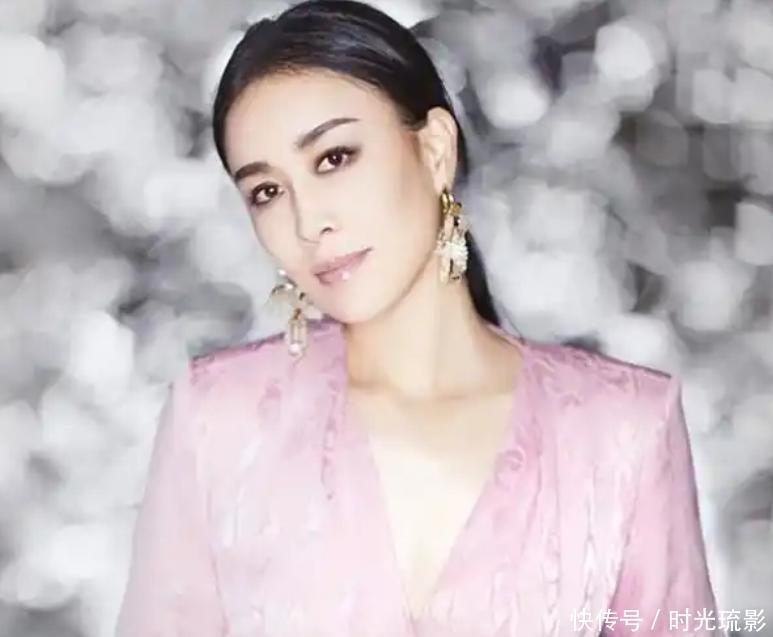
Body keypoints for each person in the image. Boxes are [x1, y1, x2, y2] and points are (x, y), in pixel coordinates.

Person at [114, 1, 722, 635]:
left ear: (434, 149)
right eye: (266, 192)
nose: (307, 221)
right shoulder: (217, 419)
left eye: (334, 158)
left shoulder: (623, 429)